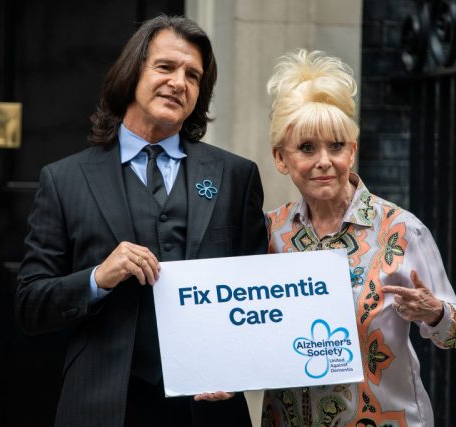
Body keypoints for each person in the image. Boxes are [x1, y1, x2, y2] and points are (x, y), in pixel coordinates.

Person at [16, 15, 267, 427]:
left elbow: (258, 295)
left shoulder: (236, 177)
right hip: (102, 405)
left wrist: (238, 368)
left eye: (193, 75)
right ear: (133, 71)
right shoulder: (64, 180)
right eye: (165, 67)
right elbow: (30, 304)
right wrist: (99, 277)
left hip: (207, 409)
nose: (179, 82)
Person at [261, 50, 456, 426]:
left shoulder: (402, 230)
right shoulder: (269, 233)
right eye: (307, 148)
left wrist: (435, 312)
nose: (324, 160)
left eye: (337, 146)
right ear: (281, 158)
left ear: (353, 151)